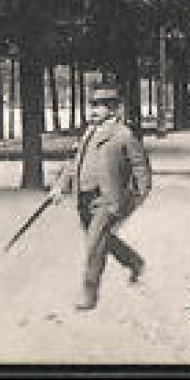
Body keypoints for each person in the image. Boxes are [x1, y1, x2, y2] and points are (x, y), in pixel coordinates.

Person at [48, 84, 152, 311]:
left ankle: (89, 294)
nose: (94, 110)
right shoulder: (89, 133)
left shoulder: (123, 135)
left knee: (94, 245)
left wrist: (135, 198)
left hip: (107, 200)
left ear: (113, 109)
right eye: (93, 104)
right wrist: (60, 186)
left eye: (101, 106)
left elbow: (141, 168)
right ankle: (135, 262)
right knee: (101, 240)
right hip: (84, 199)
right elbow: (74, 164)